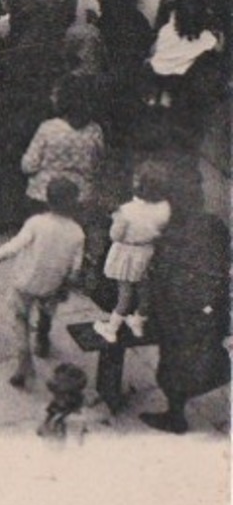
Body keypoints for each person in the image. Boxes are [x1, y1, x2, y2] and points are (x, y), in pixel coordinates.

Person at [140, 210, 231, 434]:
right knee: (201, 362)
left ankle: (175, 417)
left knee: (173, 371)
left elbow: (165, 297)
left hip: (181, 329)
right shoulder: (219, 265)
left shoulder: (183, 267)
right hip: (209, 326)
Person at [0, 178, 85, 388]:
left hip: (25, 282)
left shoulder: (36, 223)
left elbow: (16, 244)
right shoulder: (77, 232)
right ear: (75, 202)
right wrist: (67, 283)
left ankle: (23, 364)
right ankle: (42, 339)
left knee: (20, 318)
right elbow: (76, 267)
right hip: (52, 285)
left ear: (47, 199)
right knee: (46, 312)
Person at [92, 161, 173, 343]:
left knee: (125, 292)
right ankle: (138, 321)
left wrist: (115, 219)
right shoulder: (165, 207)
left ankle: (111, 328)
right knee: (144, 288)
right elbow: (160, 228)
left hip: (126, 254)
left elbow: (115, 235)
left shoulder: (127, 210)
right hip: (147, 251)